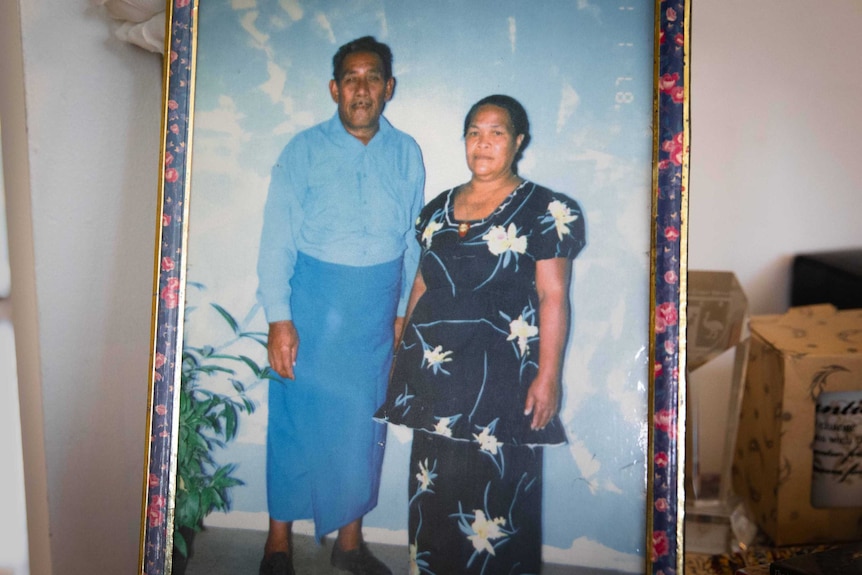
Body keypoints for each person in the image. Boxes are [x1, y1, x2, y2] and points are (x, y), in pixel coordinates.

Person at [374, 94, 586, 574]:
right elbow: (424, 282)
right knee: (435, 492)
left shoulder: (546, 209)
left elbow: (554, 296)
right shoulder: (436, 211)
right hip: (437, 377)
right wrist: (404, 350)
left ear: (518, 142)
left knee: (500, 502)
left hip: (503, 379)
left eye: (496, 133)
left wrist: (548, 375)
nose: (483, 143)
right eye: (474, 132)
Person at [256, 36, 425, 575]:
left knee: (362, 426)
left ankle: (348, 544)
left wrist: (403, 309)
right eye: (350, 78)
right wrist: (278, 318)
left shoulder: (407, 154)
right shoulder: (302, 150)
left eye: (372, 77)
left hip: (374, 310)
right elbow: (275, 239)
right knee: (291, 422)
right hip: (310, 303)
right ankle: (277, 543)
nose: (361, 88)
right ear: (334, 88)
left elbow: (413, 241)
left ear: (388, 88)